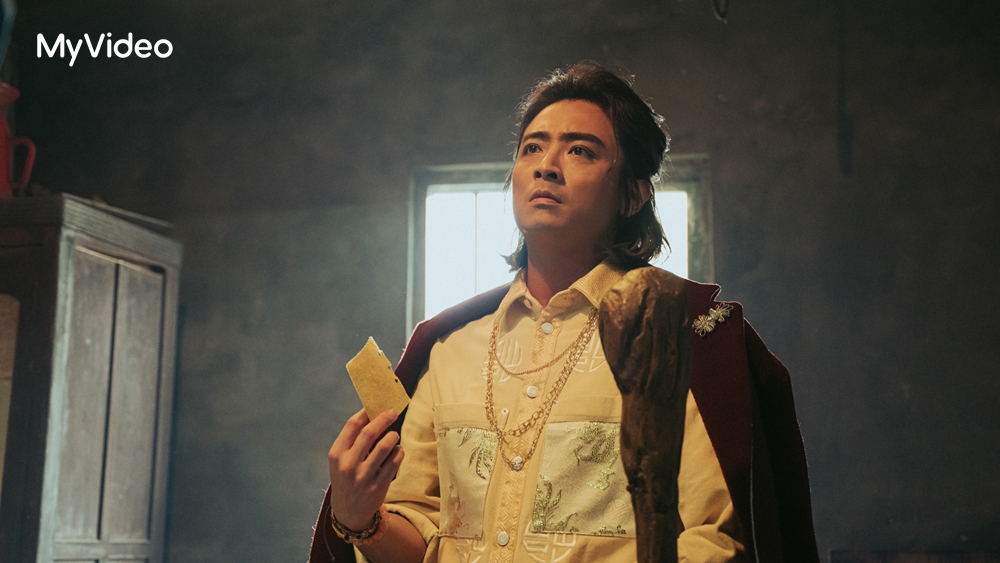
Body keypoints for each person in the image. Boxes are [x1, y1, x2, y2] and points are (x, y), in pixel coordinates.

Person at [309, 62, 819, 563]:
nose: (546, 166)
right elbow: (420, 534)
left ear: (632, 194)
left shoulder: (681, 338)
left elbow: (716, 541)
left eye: (580, 150)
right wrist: (359, 518)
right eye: (532, 147)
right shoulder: (448, 349)